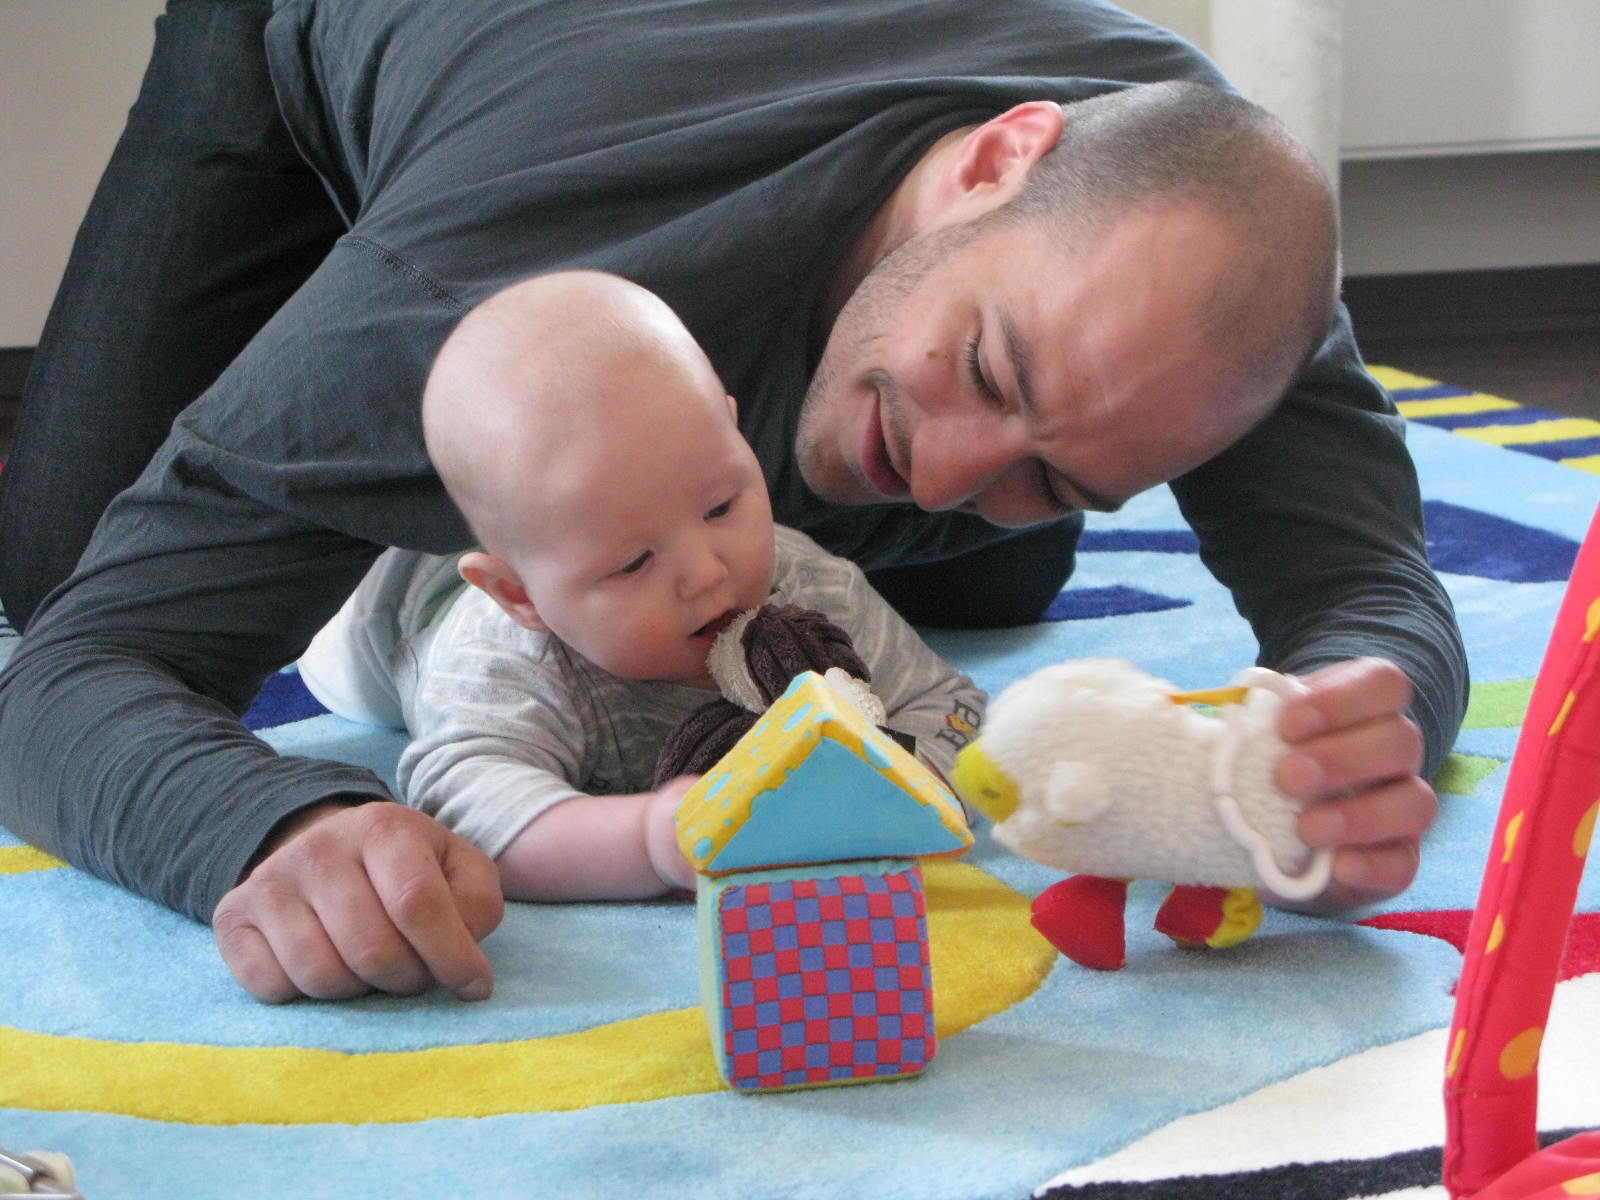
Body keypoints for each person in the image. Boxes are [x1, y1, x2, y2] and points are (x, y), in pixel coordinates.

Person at [0, 0, 1465, 1005]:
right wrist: (273, 827)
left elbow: (1371, 591)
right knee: (56, 570)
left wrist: (1342, 730)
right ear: (996, 160)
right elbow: (70, 677)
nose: (947, 475)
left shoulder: (1211, 244)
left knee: (984, 567)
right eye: (985, 370)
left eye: (1055, 474)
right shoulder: (477, 277)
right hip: (351, 57)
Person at [296, 271, 985, 910]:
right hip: (399, 610)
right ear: (521, 596)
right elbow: (473, 812)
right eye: (633, 563)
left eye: (721, 506)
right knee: (339, 669)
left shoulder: (810, 589)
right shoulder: (505, 665)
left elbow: (949, 706)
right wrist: (652, 840)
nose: (707, 572)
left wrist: (896, 793)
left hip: (543, 551)